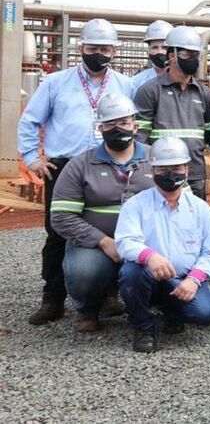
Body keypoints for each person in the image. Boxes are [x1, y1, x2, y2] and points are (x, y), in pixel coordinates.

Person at [19, 18, 133, 325]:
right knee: (57, 232)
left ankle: (108, 295)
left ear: (114, 51)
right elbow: (30, 120)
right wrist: (32, 159)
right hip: (64, 166)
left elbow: (134, 123)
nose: (99, 53)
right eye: (93, 47)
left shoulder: (124, 84)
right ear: (80, 48)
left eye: (105, 48)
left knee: (111, 226)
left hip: (109, 164)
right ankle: (53, 299)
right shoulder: (56, 82)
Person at [50, 93, 155, 332]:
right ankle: (87, 308)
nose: (118, 128)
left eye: (124, 122)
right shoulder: (80, 164)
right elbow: (61, 216)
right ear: (100, 127)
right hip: (96, 245)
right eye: (110, 123)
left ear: (135, 126)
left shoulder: (156, 159)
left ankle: (156, 306)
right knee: (85, 271)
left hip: (146, 242)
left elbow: (181, 203)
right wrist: (103, 241)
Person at [115, 137, 210, 353]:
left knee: (206, 313)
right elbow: (125, 242)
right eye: (163, 169)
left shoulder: (201, 209)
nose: (170, 174)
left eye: (176, 168)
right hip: (148, 276)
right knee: (131, 273)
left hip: (183, 279)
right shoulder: (136, 205)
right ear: (152, 171)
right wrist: (150, 256)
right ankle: (143, 326)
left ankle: (173, 310)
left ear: (187, 171)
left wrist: (194, 280)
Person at [134, 26, 210, 198]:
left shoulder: (205, 94)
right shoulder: (150, 91)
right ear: (172, 56)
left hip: (194, 175)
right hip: (160, 174)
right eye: (187, 54)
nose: (193, 59)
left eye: (196, 55)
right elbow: (140, 138)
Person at [130, 20, 173, 91]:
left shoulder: (182, 80)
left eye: (165, 47)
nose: (160, 52)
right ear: (148, 52)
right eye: (155, 47)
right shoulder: (136, 82)